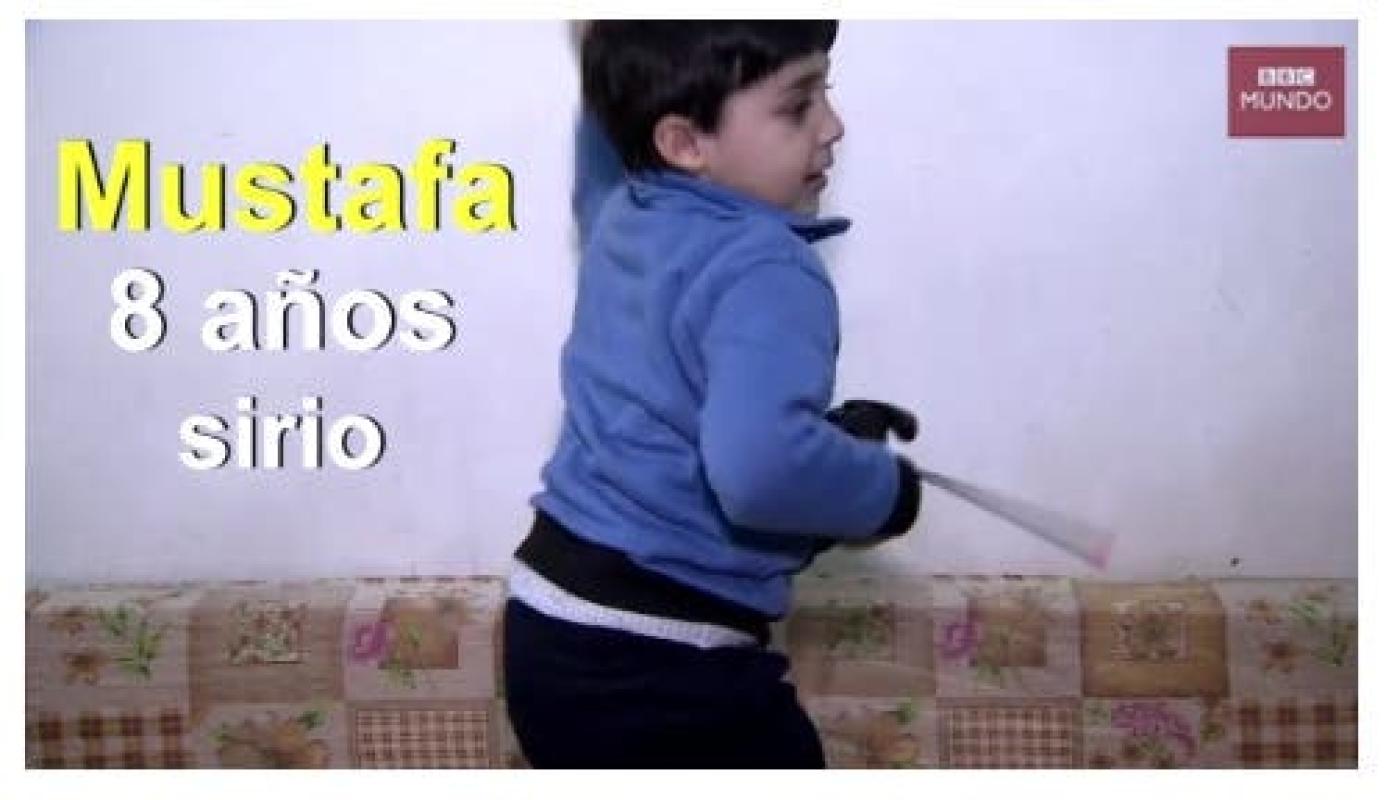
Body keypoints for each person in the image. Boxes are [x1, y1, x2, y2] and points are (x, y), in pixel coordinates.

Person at [502, 21, 921, 768]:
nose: (832, 125)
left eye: (826, 90)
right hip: (658, 659)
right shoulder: (766, 265)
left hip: (545, 623)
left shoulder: (625, 214)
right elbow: (760, 473)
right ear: (685, 142)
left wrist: (606, 44)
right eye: (798, 104)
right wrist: (885, 491)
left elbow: (704, 447)